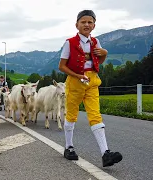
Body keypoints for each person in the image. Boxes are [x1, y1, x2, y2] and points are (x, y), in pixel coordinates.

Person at [58, 10, 122, 167]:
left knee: (95, 115)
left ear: (94, 25)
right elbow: (62, 66)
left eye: (90, 22)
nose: (86, 24)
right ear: (77, 25)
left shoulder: (95, 42)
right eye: (83, 22)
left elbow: (98, 61)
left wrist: (105, 53)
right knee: (72, 114)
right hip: (75, 81)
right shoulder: (70, 43)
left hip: (92, 81)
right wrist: (78, 75)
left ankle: (105, 153)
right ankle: (69, 147)